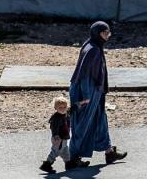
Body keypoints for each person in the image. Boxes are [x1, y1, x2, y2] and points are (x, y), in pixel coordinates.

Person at [68, 22, 128, 170]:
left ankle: (109, 151)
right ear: (97, 33)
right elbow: (85, 76)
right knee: (83, 123)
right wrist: (87, 96)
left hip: (95, 90)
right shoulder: (93, 50)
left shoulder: (92, 44)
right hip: (86, 91)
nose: (107, 36)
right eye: (104, 33)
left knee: (100, 118)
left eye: (108, 32)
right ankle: (73, 157)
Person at [39, 96, 74, 174]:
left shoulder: (66, 113)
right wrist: (56, 135)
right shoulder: (55, 118)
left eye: (64, 107)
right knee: (55, 152)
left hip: (64, 138)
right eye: (60, 107)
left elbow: (72, 109)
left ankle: (68, 164)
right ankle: (46, 165)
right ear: (55, 108)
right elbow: (53, 127)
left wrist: (81, 103)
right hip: (58, 138)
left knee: (65, 152)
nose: (63, 109)